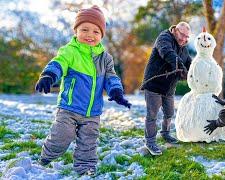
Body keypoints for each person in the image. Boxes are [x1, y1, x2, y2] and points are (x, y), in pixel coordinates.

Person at [35, 5, 131, 176]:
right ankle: (46, 156)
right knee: (61, 136)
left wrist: (116, 91)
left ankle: (85, 167)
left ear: (102, 35)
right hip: (69, 107)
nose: (90, 35)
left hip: (93, 112)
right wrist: (49, 75)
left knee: (89, 141)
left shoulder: (105, 58)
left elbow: (111, 77)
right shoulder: (70, 51)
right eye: (84, 29)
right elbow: (59, 63)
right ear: (76, 31)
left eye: (96, 31)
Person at [140, 22, 192, 155]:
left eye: (187, 37)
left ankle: (165, 133)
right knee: (152, 115)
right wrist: (178, 65)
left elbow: (190, 64)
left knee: (169, 113)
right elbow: (166, 52)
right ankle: (150, 142)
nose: (184, 39)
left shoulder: (184, 48)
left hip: (169, 88)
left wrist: (194, 71)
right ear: (175, 30)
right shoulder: (164, 37)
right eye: (182, 35)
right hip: (154, 84)